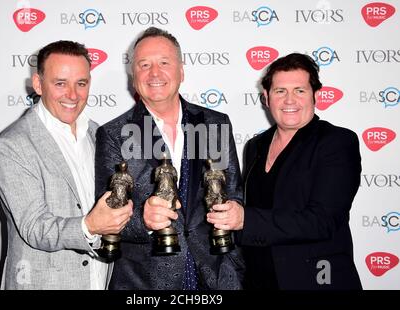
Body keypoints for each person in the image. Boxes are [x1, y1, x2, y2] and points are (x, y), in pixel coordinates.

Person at [95, 27, 245, 290]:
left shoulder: (214, 124)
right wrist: (144, 221)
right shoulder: (113, 134)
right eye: (144, 65)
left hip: (216, 278)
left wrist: (235, 211)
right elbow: (107, 217)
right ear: (133, 77)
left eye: (164, 63)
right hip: (145, 284)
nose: (154, 73)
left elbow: (233, 193)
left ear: (181, 71)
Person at [209, 52, 362, 289]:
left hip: (316, 280)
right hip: (260, 281)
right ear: (266, 98)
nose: (289, 100)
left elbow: (322, 220)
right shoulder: (255, 146)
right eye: (280, 91)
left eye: (299, 90)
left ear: (316, 96)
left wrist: (245, 219)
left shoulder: (336, 142)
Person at [0, 40, 133, 289]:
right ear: (37, 84)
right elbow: (35, 227)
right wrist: (89, 226)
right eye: (60, 83)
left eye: (81, 83)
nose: (72, 95)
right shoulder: (12, 145)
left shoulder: (99, 135)